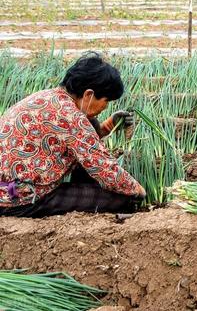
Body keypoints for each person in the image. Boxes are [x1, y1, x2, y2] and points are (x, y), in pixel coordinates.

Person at [0, 52, 146, 218]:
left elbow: (75, 139)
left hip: (7, 190)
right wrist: (137, 190)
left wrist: (107, 127)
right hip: (20, 200)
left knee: (91, 122)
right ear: (89, 94)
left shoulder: (47, 97)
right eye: (106, 101)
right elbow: (104, 168)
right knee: (122, 198)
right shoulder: (71, 117)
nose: (105, 107)